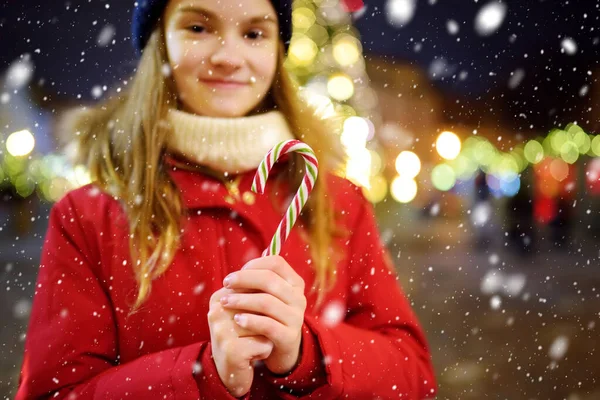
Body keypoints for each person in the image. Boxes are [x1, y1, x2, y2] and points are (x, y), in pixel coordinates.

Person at [15, 0, 437, 398]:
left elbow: (412, 375)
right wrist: (202, 374)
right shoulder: (88, 216)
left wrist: (307, 353)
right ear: (159, 41)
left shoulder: (337, 202)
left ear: (278, 50)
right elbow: (56, 391)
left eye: (255, 33)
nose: (229, 57)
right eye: (198, 27)